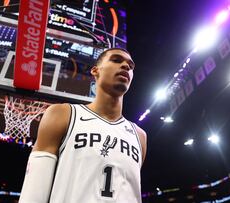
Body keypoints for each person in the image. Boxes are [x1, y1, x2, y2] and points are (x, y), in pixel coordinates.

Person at [19, 48, 147, 203]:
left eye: (130, 65)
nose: (126, 66)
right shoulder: (62, 114)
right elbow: (34, 189)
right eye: (116, 60)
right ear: (95, 70)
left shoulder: (139, 136)